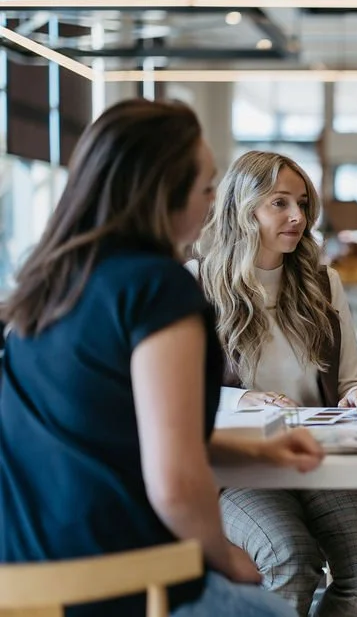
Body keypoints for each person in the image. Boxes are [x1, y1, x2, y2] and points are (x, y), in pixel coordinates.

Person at [0, 99, 324, 617]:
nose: (215, 202)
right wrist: (226, 558)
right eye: (205, 188)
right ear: (163, 197)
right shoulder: (157, 289)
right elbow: (174, 481)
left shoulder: (45, 285)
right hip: (122, 583)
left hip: (26, 583)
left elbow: (112, 432)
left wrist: (257, 452)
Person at [191, 150, 357, 617]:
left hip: (319, 457)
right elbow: (182, 400)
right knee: (291, 559)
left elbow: (352, 379)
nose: (297, 217)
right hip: (237, 469)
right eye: (279, 203)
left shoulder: (324, 284)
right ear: (244, 209)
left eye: (302, 203)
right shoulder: (197, 285)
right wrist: (245, 399)